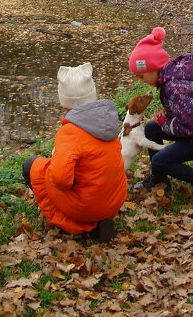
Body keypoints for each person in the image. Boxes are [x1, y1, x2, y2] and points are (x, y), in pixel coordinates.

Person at [128, 26, 193, 209]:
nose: (142, 81)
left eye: (142, 76)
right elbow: (187, 112)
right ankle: (160, 179)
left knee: (162, 159)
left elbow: (190, 127)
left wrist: (165, 123)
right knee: (151, 128)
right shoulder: (172, 79)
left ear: (153, 68)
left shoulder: (174, 87)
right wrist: (165, 119)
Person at [22, 62, 127, 242]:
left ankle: (76, 225)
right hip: (115, 199)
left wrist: (54, 165)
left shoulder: (70, 132)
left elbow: (61, 180)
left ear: (64, 102)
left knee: (32, 165)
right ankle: (100, 220)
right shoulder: (107, 123)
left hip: (87, 205)